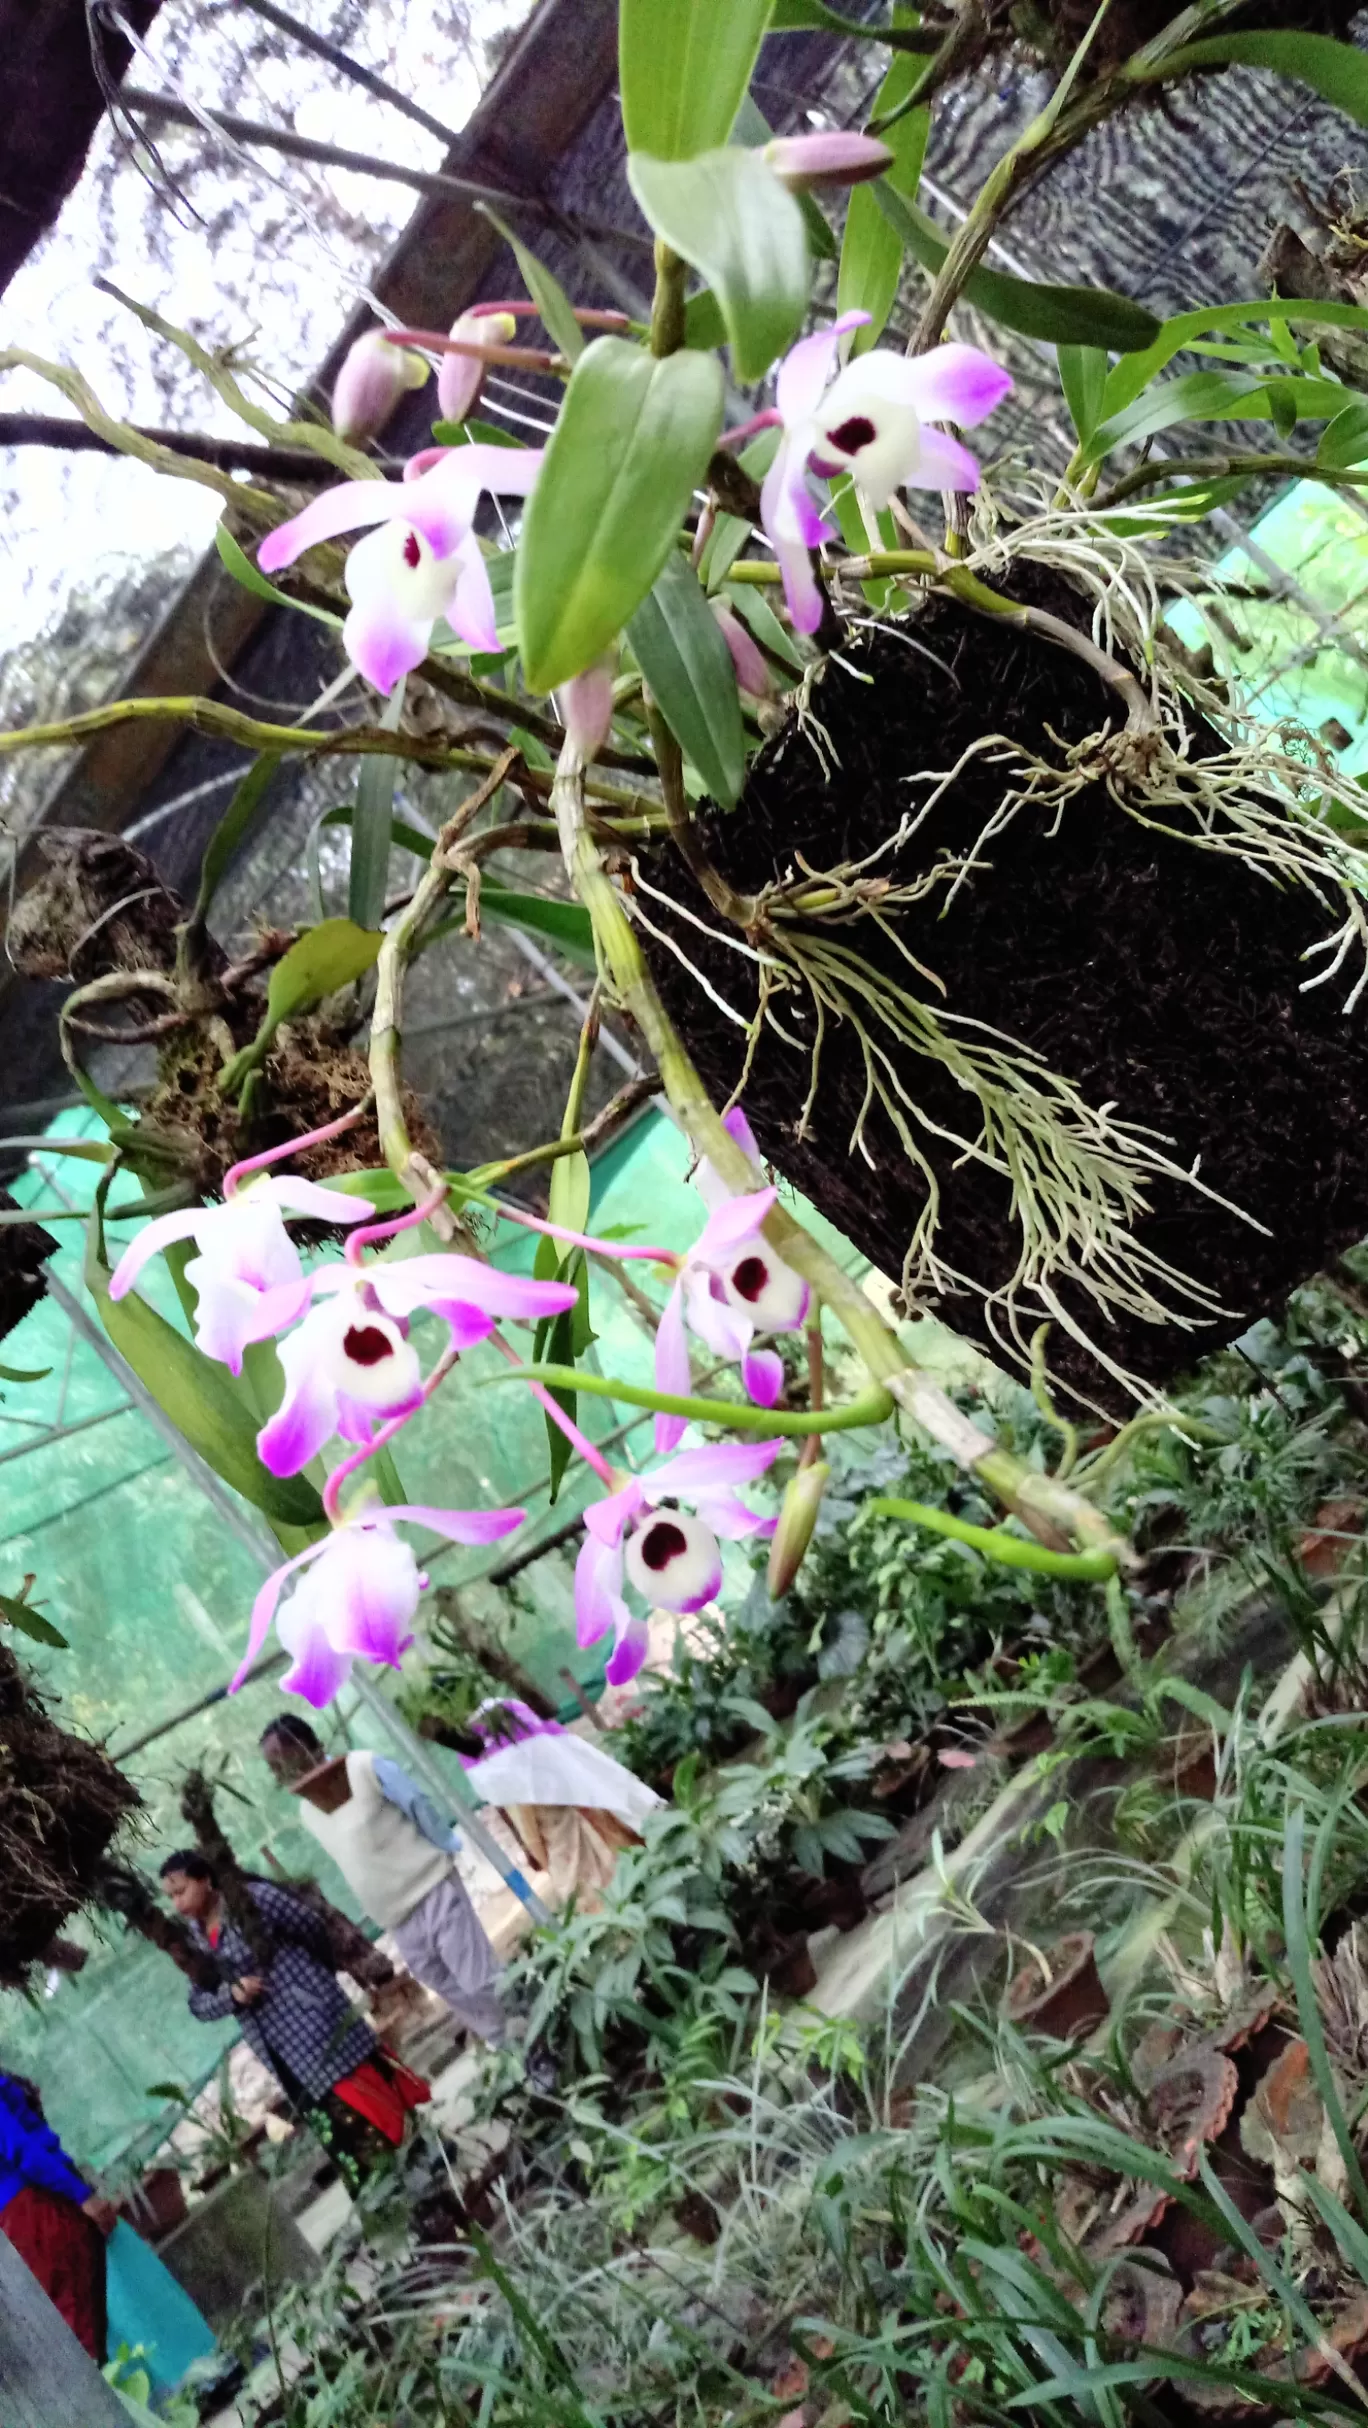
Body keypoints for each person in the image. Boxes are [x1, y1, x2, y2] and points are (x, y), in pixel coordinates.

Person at [160, 1851, 429, 2193]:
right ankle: (385, 2201)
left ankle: (422, 2175)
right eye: (170, 1897)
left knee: (367, 2103)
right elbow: (198, 2004)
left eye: (181, 1891)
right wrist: (232, 1996)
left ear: (206, 1880)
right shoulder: (194, 1944)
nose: (177, 1902)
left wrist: (308, 1984)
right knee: (335, 2126)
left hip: (319, 2025)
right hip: (279, 2051)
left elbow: (312, 1926)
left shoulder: (252, 1900)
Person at [260, 1716, 507, 2047]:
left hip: (432, 1888)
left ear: (307, 1746)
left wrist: (445, 1850)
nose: (278, 1773)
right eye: (272, 1766)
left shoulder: (365, 1767)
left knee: (479, 1977)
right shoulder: (308, 1812)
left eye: (281, 1760)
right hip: (396, 1918)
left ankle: (531, 2037)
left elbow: (417, 1803)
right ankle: (508, 2047)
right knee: (444, 1984)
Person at [463, 1699, 661, 1913]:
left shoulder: (520, 1789)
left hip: (566, 1857)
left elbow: (532, 1838)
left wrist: (545, 1864)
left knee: (599, 1906)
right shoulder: (553, 1759)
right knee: (628, 1881)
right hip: (598, 1828)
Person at [0, 2068, 116, 2358]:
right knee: (80, 2326)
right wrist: (81, 2195)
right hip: (30, 2207)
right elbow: (21, 2149)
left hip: (15, 2221)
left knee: (68, 2323)